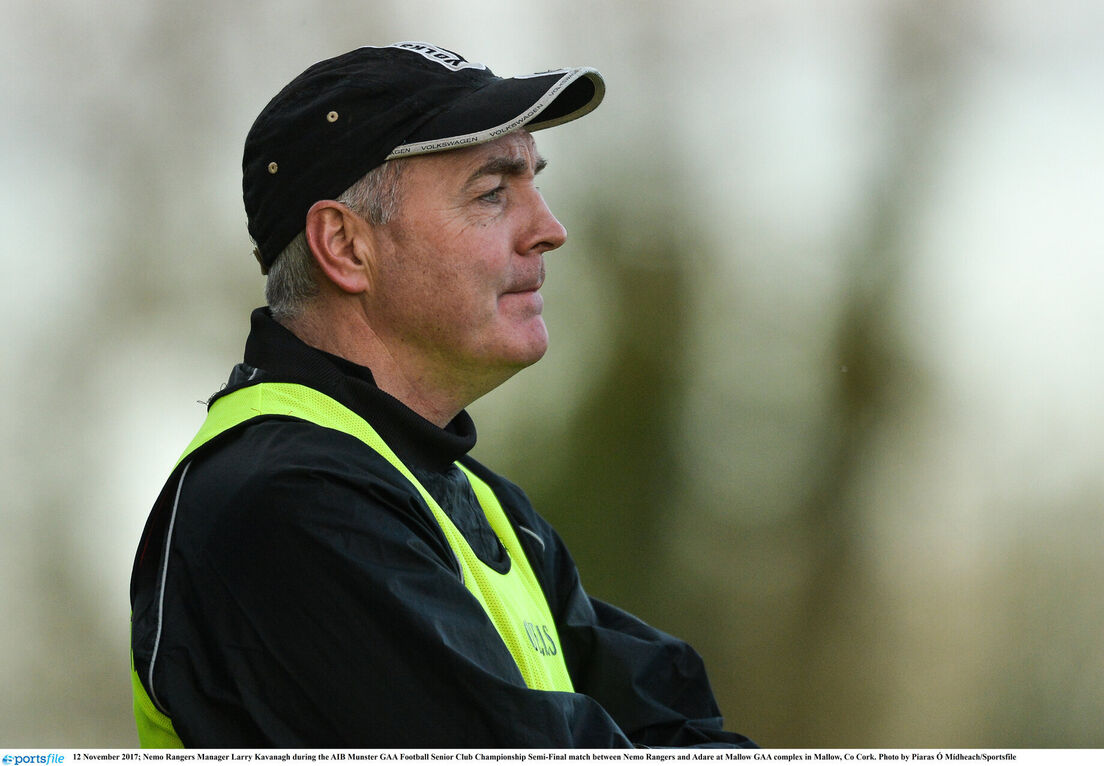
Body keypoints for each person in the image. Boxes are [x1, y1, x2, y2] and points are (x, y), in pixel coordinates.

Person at [130, 41, 754, 749]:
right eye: (493, 193)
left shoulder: (475, 503)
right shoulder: (284, 501)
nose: (550, 230)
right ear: (344, 246)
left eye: (535, 185)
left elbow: (677, 722)